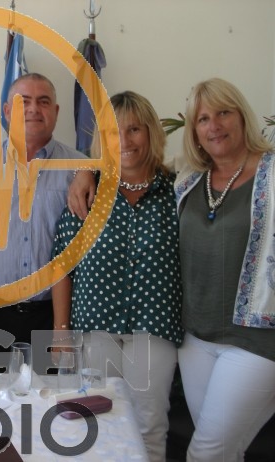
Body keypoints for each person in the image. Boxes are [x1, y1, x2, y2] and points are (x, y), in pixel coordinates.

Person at [51, 91, 183, 462]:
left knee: (149, 424)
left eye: (134, 129)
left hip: (154, 327)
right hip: (95, 328)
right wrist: (61, 332)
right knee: (96, 424)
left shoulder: (178, 191)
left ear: (151, 132)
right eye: (114, 132)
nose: (125, 140)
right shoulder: (87, 193)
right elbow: (62, 264)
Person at [175, 78, 275, 461]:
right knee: (224, 453)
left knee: (205, 453)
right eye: (203, 119)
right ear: (194, 131)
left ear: (242, 116)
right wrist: (84, 174)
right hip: (195, 339)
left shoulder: (272, 172)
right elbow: (132, 171)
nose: (214, 126)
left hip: (256, 340)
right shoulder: (187, 180)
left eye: (223, 113)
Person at [0, 73, 86, 372]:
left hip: (52, 318)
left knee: (50, 399)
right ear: (7, 111)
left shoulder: (79, 169)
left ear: (56, 112)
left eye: (43, 102)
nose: (34, 109)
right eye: (24, 102)